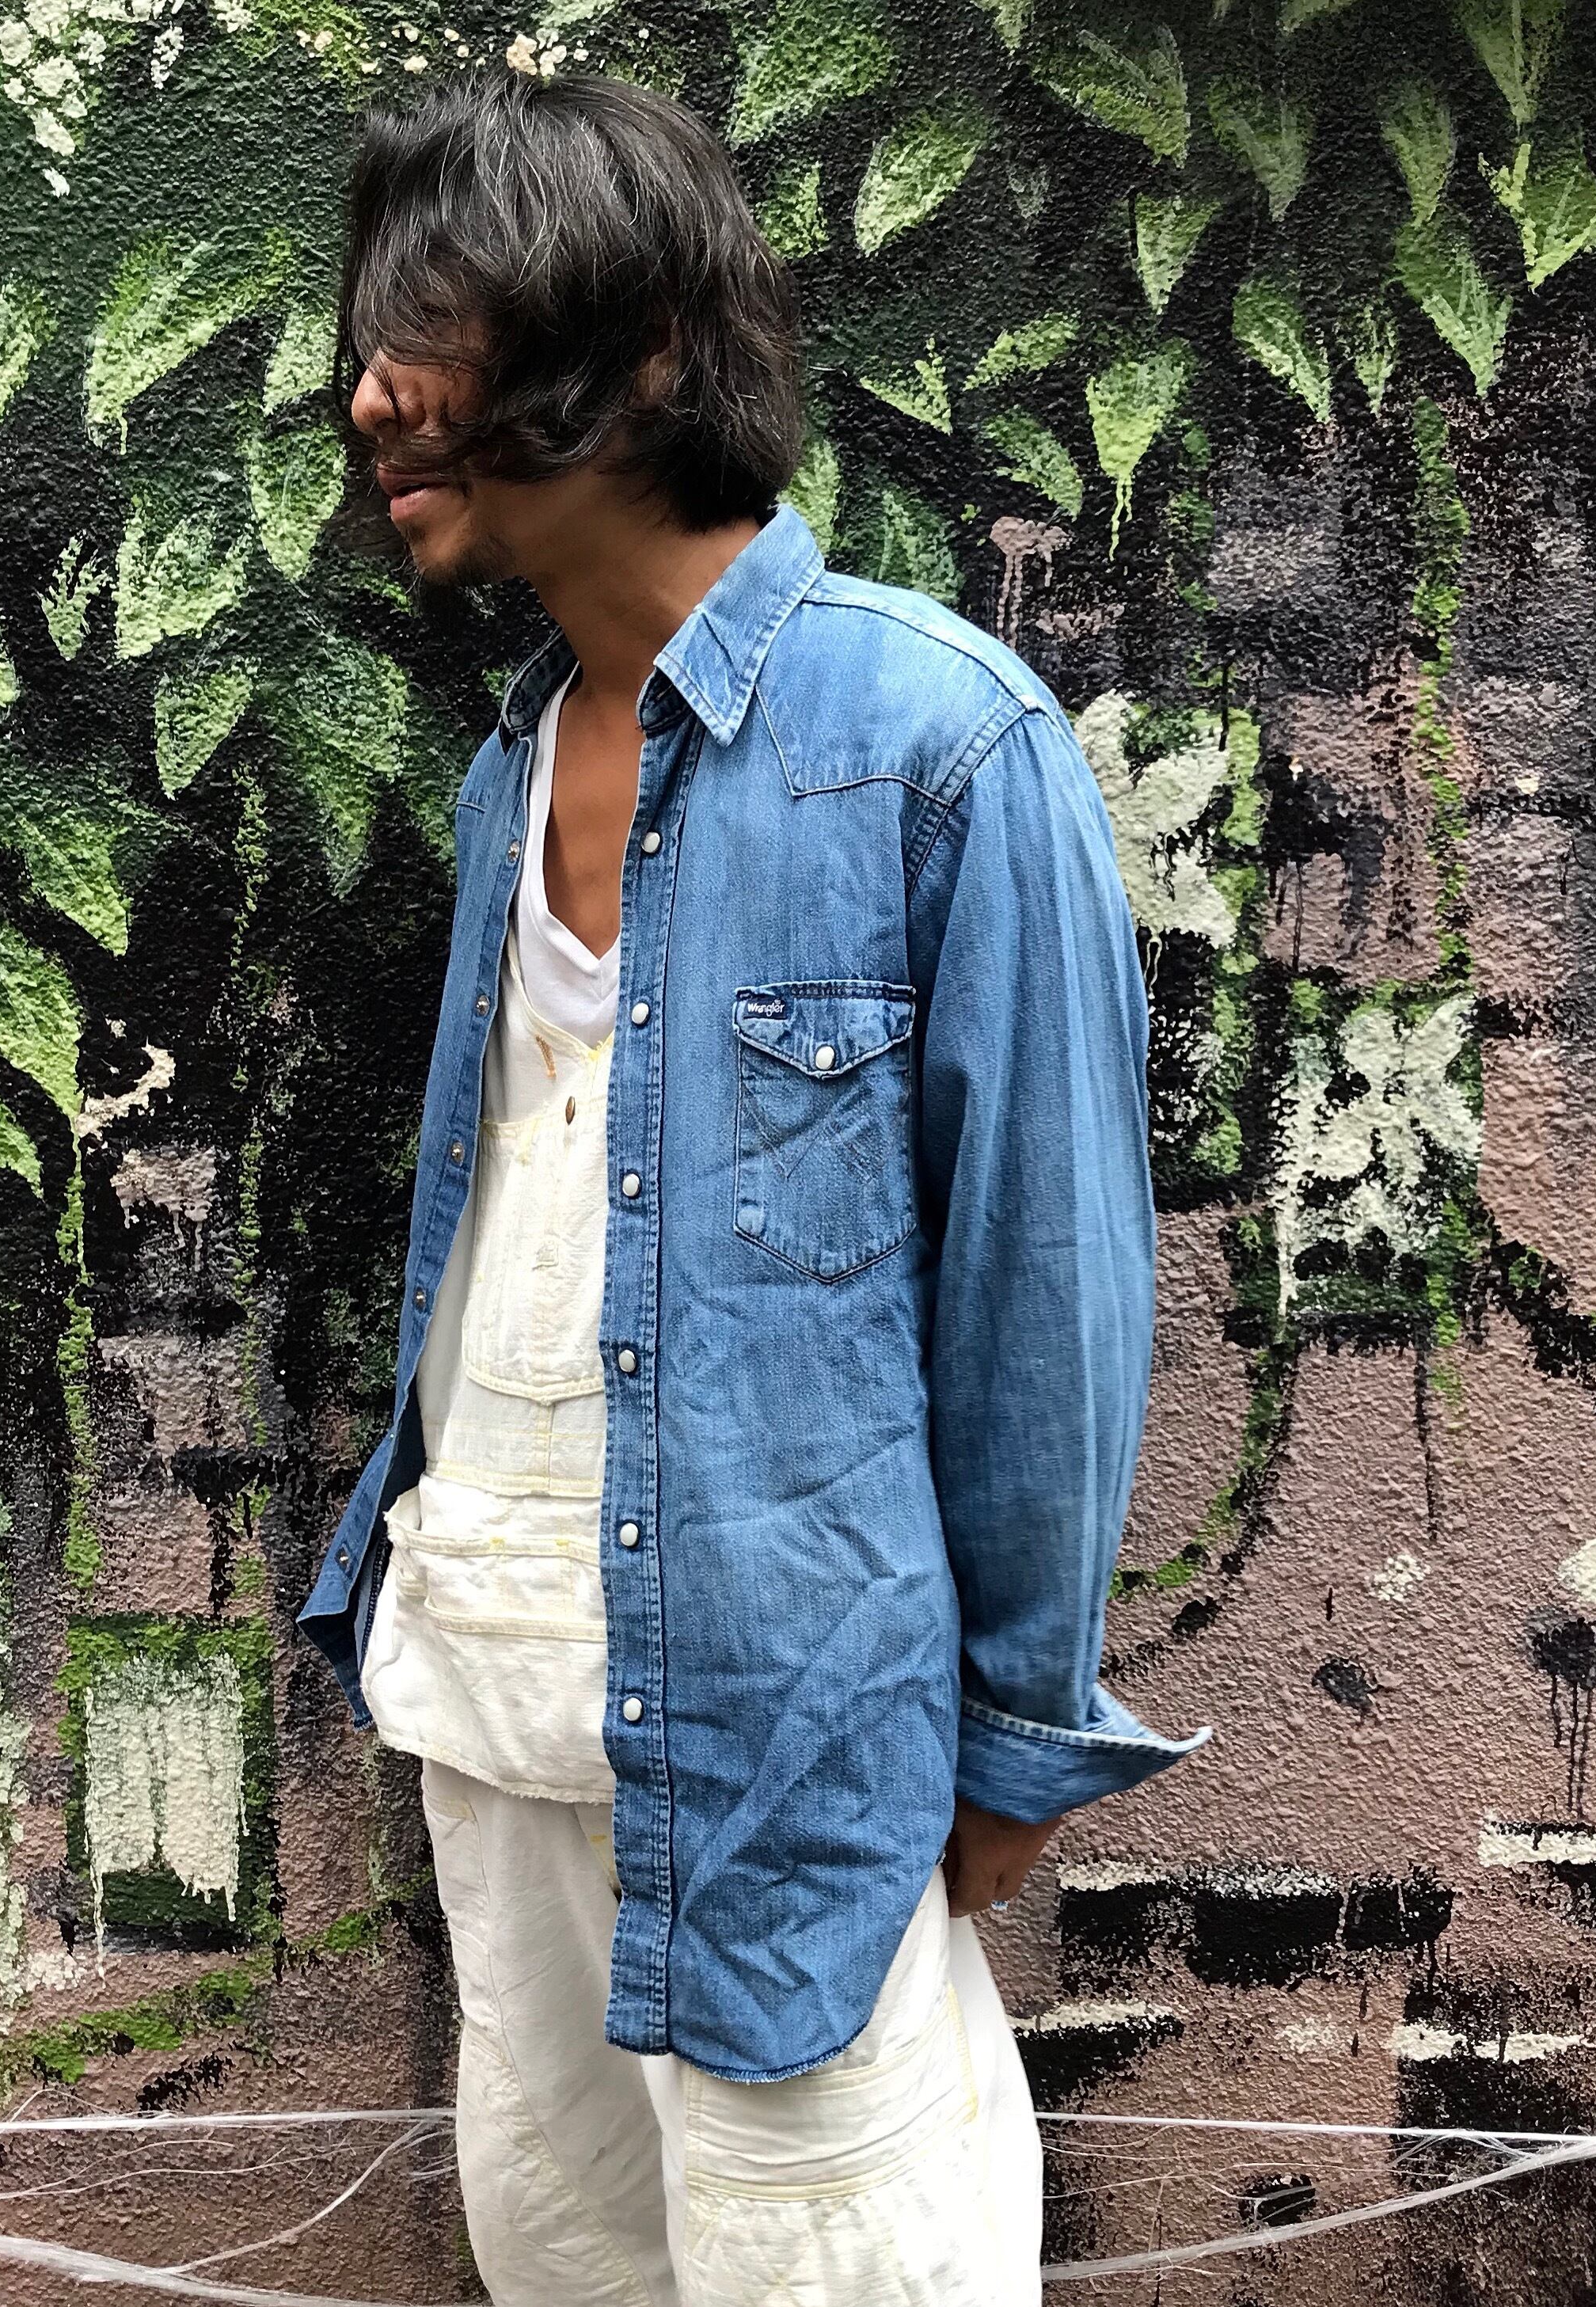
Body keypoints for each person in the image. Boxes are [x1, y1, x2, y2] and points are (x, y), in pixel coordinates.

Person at [298, 67, 1206, 2307]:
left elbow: (1049, 1291)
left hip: (792, 1743)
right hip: (494, 1698)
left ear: (648, 354)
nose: (371, 392)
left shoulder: (938, 743)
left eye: (430, 325)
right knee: (571, 2267)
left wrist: (1012, 1740)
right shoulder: (512, 767)